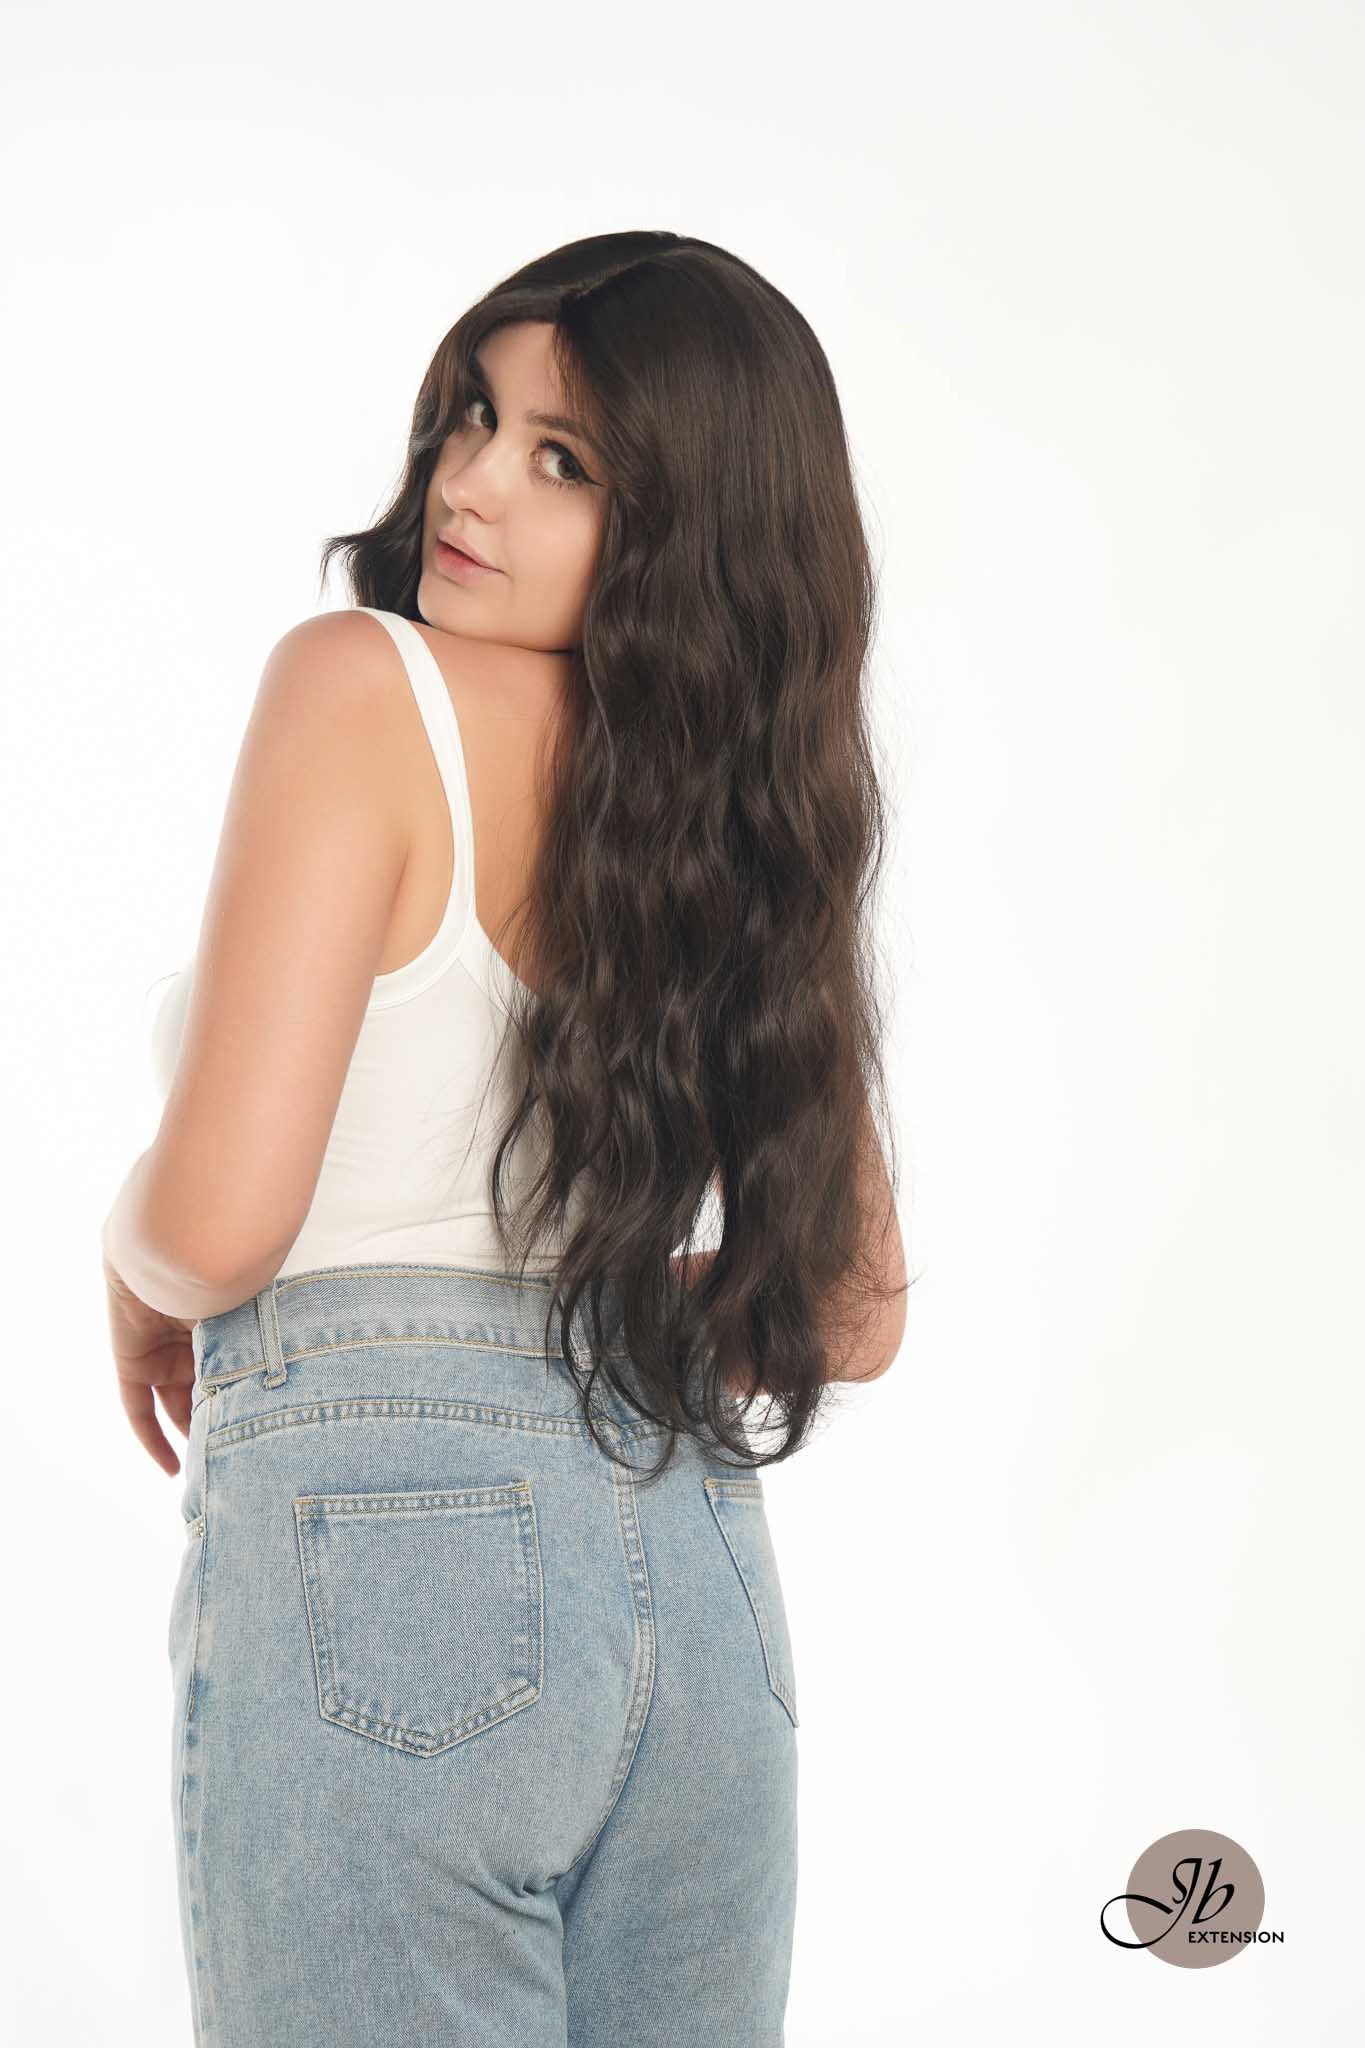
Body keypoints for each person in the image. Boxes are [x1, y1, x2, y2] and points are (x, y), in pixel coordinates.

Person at [100, 229, 907, 2047]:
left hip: (388, 1573)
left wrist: (126, 1253)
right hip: (699, 1589)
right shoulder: (752, 803)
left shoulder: (360, 686)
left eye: (564, 460)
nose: (467, 484)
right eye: (474, 415)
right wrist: (573, 1325)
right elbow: (844, 1307)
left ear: (689, 522)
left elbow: (216, 1230)